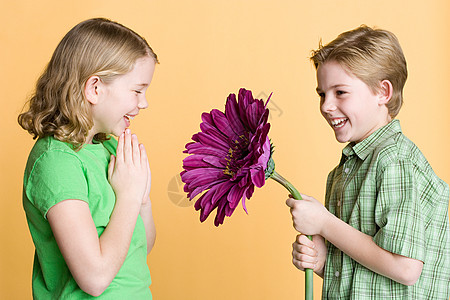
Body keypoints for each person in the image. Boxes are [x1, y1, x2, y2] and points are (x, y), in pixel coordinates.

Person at [285, 25, 450, 299]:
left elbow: (405, 268)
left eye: (340, 92)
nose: (326, 105)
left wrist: (325, 223)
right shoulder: (341, 173)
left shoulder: (395, 160)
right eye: (322, 94)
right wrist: (323, 262)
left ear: (382, 92)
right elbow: (365, 275)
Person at [18, 18, 158, 299]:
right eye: (137, 90)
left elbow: (142, 245)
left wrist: (141, 197)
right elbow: (94, 278)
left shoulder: (108, 148)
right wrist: (129, 196)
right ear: (95, 88)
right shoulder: (56, 163)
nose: (144, 103)